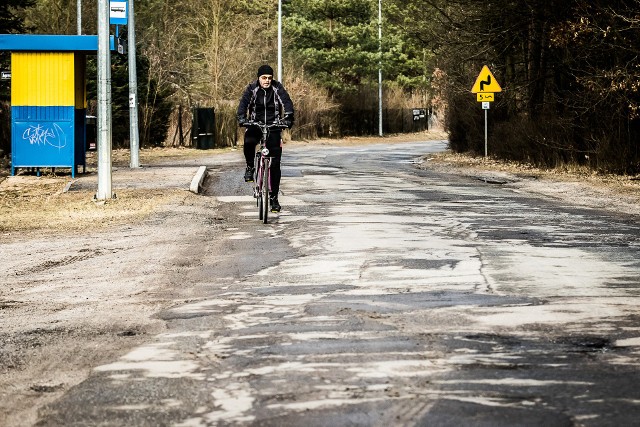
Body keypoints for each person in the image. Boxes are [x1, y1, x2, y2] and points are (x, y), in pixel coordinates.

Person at [237, 65, 295, 213]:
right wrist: (242, 118)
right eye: (264, 78)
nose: (267, 81)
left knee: (275, 163)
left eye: (269, 78)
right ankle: (250, 167)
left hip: (274, 126)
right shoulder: (252, 89)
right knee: (249, 141)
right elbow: (243, 104)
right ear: (259, 78)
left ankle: (274, 198)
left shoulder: (277, 88)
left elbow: (287, 102)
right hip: (255, 124)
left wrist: (288, 117)